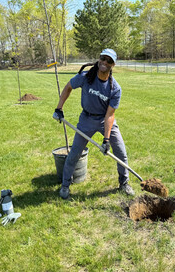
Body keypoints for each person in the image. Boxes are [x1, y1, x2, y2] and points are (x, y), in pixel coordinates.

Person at [53, 48, 135, 199]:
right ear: (99, 59)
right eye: (103, 58)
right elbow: (68, 87)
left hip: (104, 120)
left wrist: (106, 139)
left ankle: (124, 183)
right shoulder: (86, 77)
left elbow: (110, 115)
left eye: (109, 60)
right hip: (86, 119)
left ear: (113, 65)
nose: (105, 62)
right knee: (74, 153)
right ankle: (65, 185)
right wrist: (59, 108)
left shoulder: (115, 89)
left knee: (121, 153)